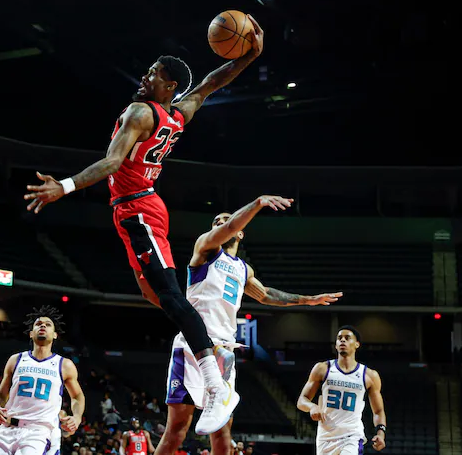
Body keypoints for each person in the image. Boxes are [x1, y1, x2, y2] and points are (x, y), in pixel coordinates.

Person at [24, 15, 268, 435]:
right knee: (151, 292)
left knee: (172, 298)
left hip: (138, 210)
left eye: (154, 73)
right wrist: (252, 55)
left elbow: (113, 162)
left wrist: (63, 187)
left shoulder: (140, 111)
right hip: (134, 210)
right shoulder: (179, 112)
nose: (145, 76)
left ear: (169, 85)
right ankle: (200, 329)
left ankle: (216, 385)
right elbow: (213, 80)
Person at [154, 195, 344, 455]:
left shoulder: (243, 269)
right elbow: (230, 226)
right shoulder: (206, 249)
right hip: (192, 346)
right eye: (217, 222)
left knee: (223, 429)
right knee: (177, 428)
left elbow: (266, 295)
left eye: (227, 221)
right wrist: (257, 204)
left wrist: (308, 300)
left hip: (223, 349)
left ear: (241, 235)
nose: (223, 224)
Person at [0, 306, 85, 455]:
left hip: (38, 431)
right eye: (38, 324)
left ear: (55, 335)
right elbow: (0, 396)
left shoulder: (64, 365)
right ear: (31, 334)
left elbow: (77, 396)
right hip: (8, 428)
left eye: (48, 324)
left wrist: (77, 417)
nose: (43, 326)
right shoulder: (16, 360)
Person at [296, 326, 387, 455]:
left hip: (352, 435)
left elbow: (378, 411)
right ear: (336, 345)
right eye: (339, 338)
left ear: (357, 344)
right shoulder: (322, 368)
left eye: (347, 338)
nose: (342, 341)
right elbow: (302, 400)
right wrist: (312, 407)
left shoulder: (369, 375)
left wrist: (380, 433)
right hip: (326, 436)